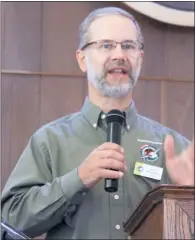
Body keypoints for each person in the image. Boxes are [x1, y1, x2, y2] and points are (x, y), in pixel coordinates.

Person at [1, 6, 194, 240]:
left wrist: (189, 197)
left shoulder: (171, 146)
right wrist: (78, 179)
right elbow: (10, 221)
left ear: (140, 58)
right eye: (106, 45)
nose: (119, 55)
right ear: (82, 59)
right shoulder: (50, 141)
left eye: (128, 46)